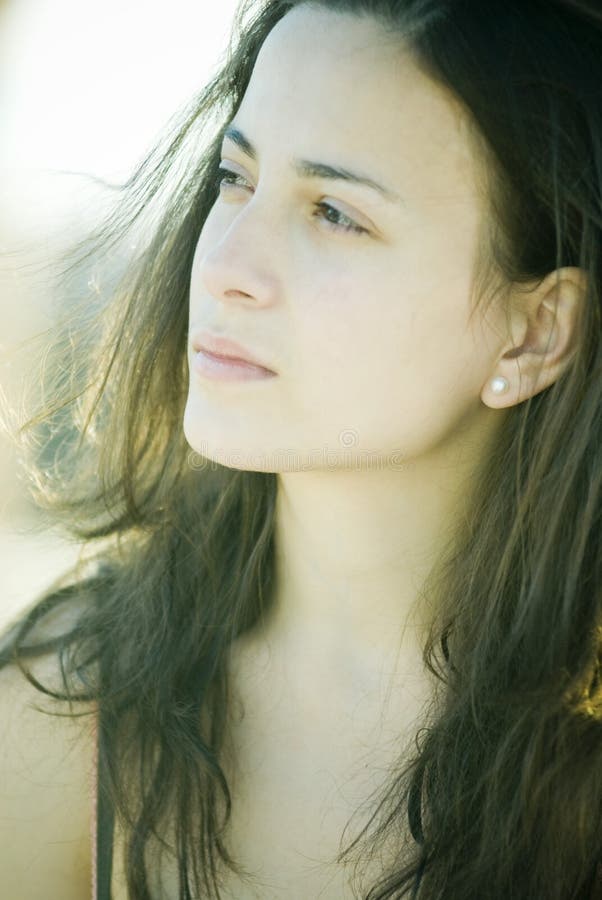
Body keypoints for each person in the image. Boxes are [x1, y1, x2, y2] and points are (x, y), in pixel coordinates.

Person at [1, 0, 601, 897]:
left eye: (333, 212)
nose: (227, 263)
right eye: (235, 178)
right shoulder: (68, 705)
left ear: (535, 332)